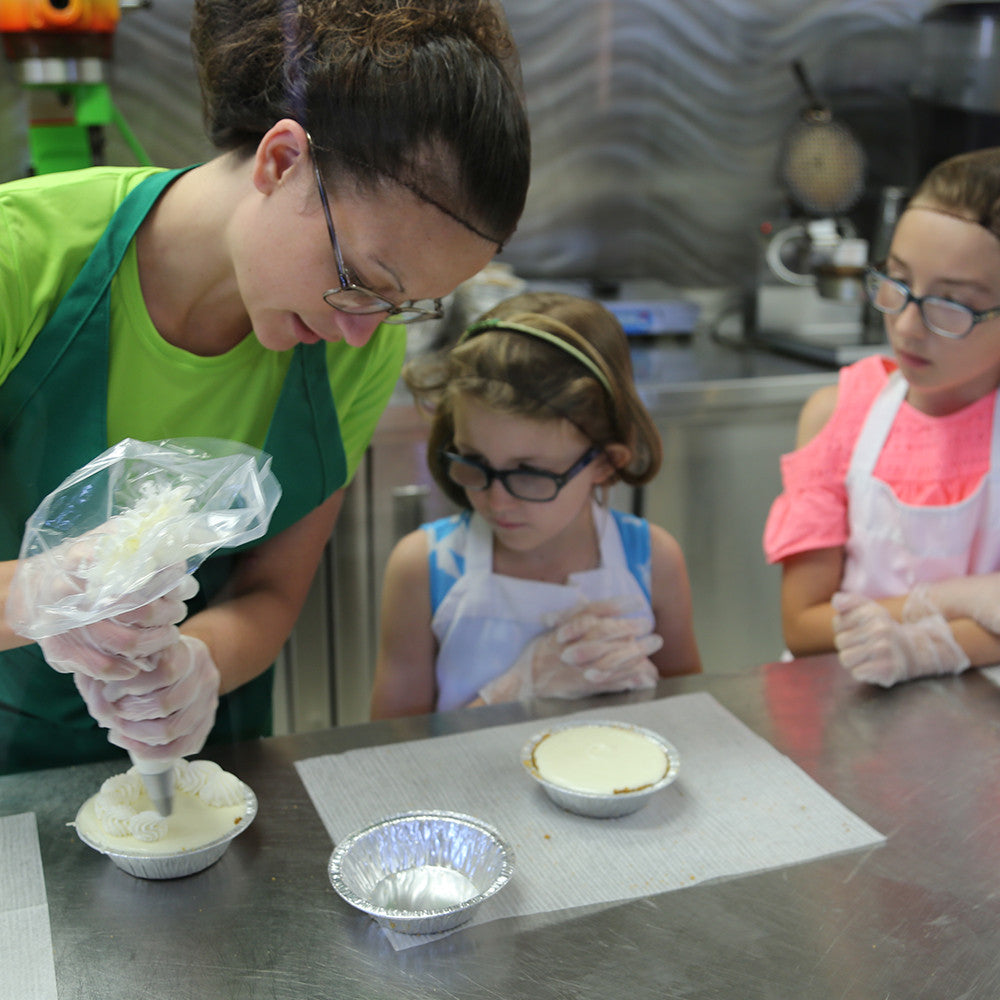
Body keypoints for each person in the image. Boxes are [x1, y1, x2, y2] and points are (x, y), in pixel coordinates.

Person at [0, 0, 530, 773]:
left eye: (402, 306)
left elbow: (273, 589)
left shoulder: (351, 347)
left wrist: (195, 667)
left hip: (212, 763)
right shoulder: (23, 258)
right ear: (281, 162)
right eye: (361, 281)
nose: (362, 330)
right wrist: (35, 595)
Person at [370, 291, 701, 718]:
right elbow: (392, 752)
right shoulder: (423, 568)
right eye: (473, 462)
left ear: (604, 461)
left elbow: (688, 717)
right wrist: (511, 693)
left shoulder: (653, 561)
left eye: (529, 472)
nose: (496, 499)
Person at [763, 146, 1000, 688]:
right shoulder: (839, 414)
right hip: (844, 707)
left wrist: (927, 649)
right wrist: (945, 607)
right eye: (897, 281)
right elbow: (803, 624)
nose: (909, 327)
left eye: (952, 304)